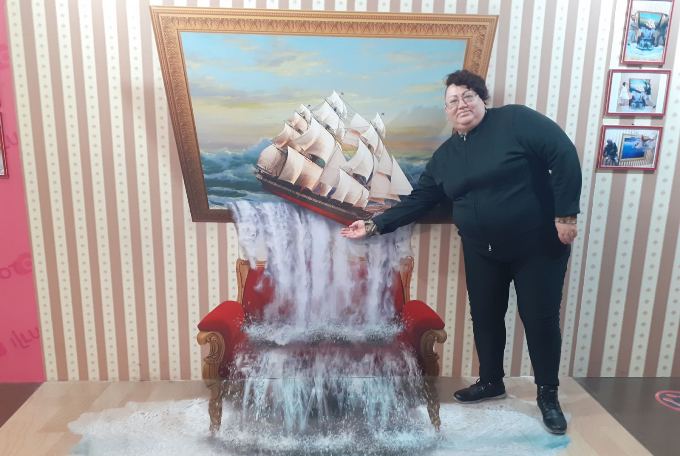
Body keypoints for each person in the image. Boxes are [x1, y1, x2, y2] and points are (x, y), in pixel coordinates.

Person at [340, 69, 582, 435]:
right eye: (453, 100)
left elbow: (562, 154)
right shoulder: (445, 157)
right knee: (485, 316)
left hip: (537, 246)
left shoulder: (516, 121)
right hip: (482, 249)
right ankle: (491, 381)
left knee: (539, 319)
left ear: (482, 99)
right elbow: (420, 200)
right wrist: (374, 225)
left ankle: (547, 395)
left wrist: (566, 214)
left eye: (468, 96)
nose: (461, 104)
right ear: (447, 110)